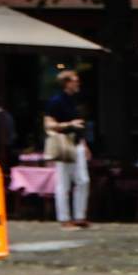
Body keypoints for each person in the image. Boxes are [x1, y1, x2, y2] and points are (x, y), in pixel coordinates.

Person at [43, 69, 91, 228]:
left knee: (83, 180)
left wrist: (84, 144)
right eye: (75, 80)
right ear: (66, 83)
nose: (78, 83)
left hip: (76, 143)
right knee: (63, 181)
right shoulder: (56, 101)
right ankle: (64, 218)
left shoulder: (74, 100)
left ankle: (79, 216)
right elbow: (48, 124)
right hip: (64, 144)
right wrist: (69, 125)